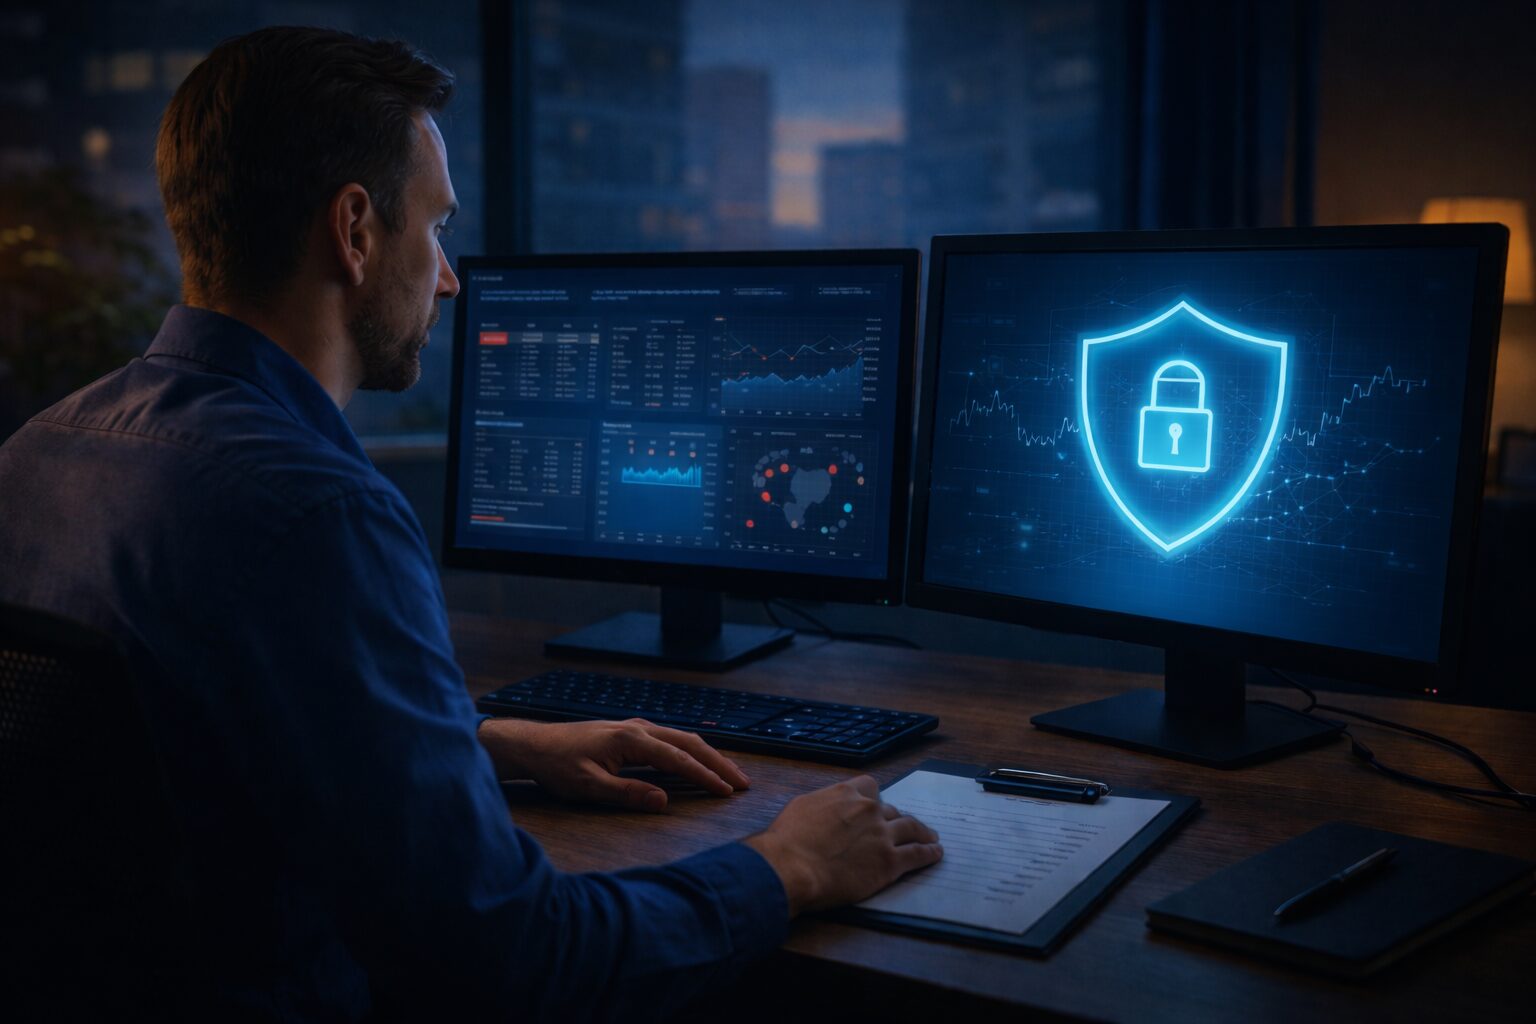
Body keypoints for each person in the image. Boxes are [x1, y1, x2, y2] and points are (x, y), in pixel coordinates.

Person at [0, 25, 941, 1021]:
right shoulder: (317, 515)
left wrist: (479, 741)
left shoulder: (35, 454)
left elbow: (173, 752)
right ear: (355, 230)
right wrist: (786, 866)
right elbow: (517, 959)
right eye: (436, 226)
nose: (448, 277)